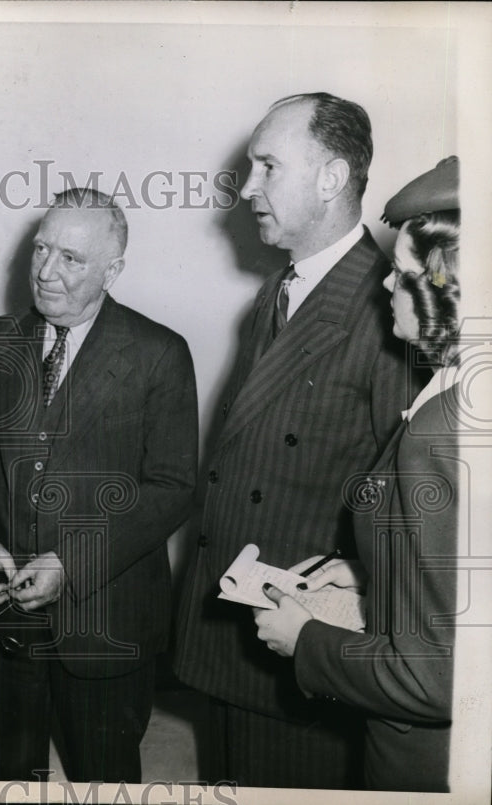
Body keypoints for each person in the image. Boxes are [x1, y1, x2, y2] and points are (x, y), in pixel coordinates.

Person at [174, 92, 425, 789]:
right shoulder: (282, 290)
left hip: (302, 653)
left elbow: (408, 506)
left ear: (331, 177)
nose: (247, 188)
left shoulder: (388, 308)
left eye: (267, 166)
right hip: (239, 632)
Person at [0, 188, 198, 782]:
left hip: (108, 625)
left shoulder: (160, 355)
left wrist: (72, 562)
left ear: (113, 270)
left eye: (71, 259)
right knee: (11, 777)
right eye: (41, 249)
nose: (46, 272)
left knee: (105, 780)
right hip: (2, 625)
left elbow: (172, 487)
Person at [254, 157, 461, 793]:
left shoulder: (436, 435)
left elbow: (433, 678)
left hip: (421, 759)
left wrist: (307, 639)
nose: (382, 289)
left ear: (443, 289)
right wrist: (373, 572)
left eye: (399, 276)